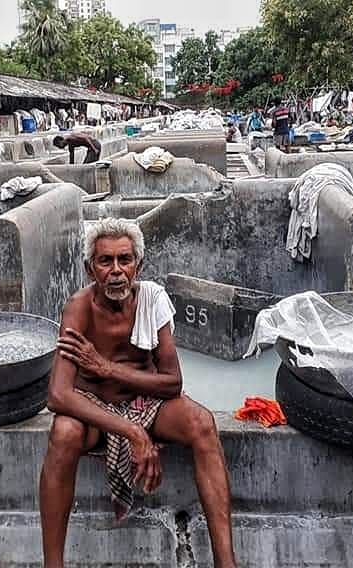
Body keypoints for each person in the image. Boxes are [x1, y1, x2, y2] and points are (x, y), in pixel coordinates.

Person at [40, 218, 236, 568]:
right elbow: (58, 394)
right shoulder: (79, 307)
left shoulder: (152, 300)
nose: (116, 271)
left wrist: (106, 368)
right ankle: (52, 564)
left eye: (125, 260)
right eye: (106, 261)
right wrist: (130, 430)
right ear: (90, 270)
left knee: (202, 423)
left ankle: (226, 561)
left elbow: (172, 382)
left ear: (138, 266)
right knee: (64, 431)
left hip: (145, 403)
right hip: (96, 412)